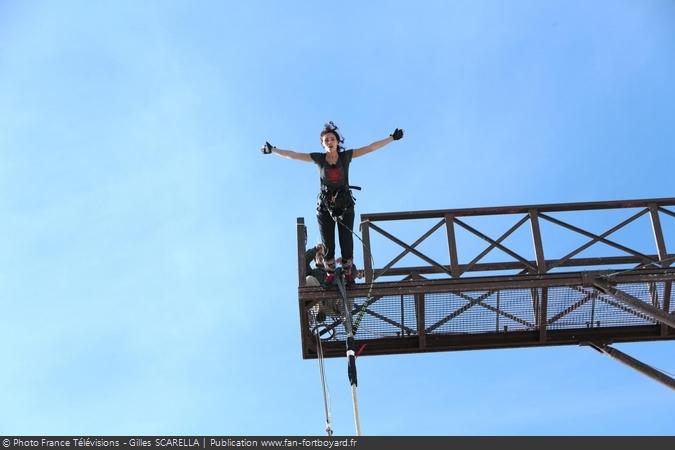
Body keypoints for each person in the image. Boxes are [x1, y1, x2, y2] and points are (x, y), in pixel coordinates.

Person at [262, 121, 404, 286]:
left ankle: (347, 271)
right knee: (328, 243)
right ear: (323, 144)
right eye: (326, 140)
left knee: (346, 241)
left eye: (332, 139)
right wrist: (274, 150)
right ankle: (329, 272)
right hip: (325, 207)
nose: (329, 142)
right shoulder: (318, 158)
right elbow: (294, 155)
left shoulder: (346, 156)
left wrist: (392, 138)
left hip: (345, 205)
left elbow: (370, 148)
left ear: (337, 142)